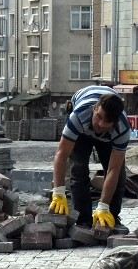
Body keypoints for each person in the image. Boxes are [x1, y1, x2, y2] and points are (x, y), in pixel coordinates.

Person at [50, 85, 131, 232]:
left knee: (119, 176)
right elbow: (61, 155)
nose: (99, 124)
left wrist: (103, 206)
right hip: (82, 130)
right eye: (98, 116)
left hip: (108, 138)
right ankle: (83, 219)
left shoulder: (122, 128)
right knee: (78, 168)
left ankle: (110, 217)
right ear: (95, 108)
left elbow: (113, 169)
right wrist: (58, 192)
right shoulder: (79, 116)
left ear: (114, 122)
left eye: (105, 121)